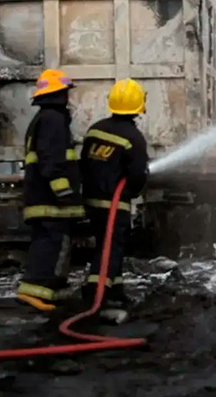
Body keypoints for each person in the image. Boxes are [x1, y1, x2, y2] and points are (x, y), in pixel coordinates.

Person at [79, 78, 150, 312]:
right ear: (139, 105)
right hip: (115, 203)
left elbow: (84, 163)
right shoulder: (134, 137)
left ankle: (116, 289)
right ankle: (95, 290)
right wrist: (132, 191)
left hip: (91, 199)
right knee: (112, 247)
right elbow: (138, 175)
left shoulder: (95, 129)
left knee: (105, 243)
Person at [16, 69, 83, 311]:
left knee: (51, 243)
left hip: (42, 198)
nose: (68, 97)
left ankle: (51, 289)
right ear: (58, 94)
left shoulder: (44, 119)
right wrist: (64, 193)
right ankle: (34, 290)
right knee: (50, 244)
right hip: (50, 200)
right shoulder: (53, 119)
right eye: (65, 92)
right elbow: (50, 161)